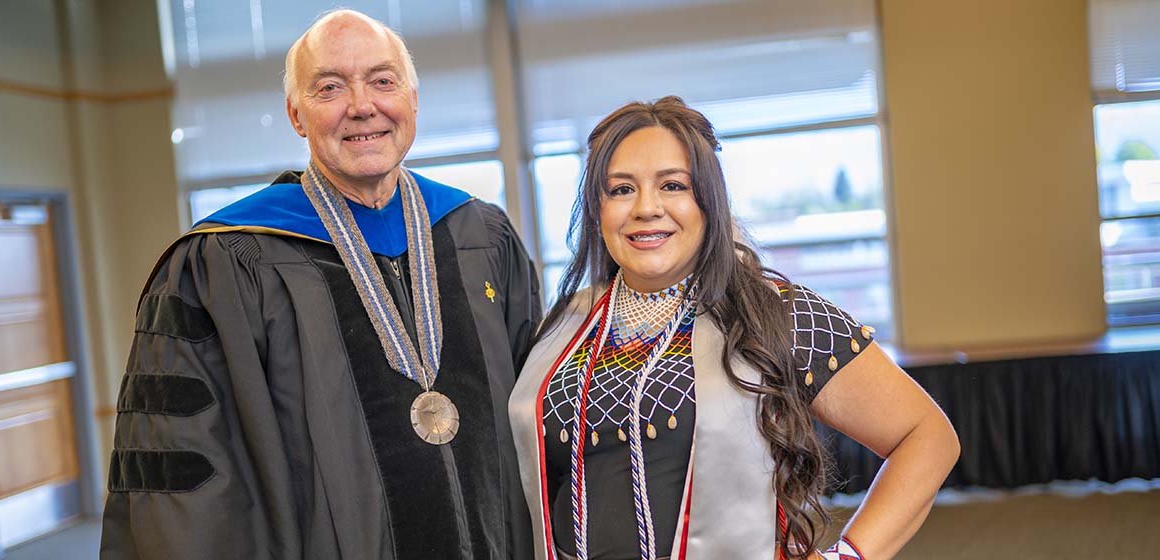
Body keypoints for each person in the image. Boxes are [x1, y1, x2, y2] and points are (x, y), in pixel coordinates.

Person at [101, 9, 539, 560]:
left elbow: (541, 412)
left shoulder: (481, 233)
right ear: (297, 115)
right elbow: (184, 472)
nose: (362, 106)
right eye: (330, 87)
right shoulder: (225, 262)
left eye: (383, 81)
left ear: (412, 100)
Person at [509, 96, 960, 560]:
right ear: (596, 209)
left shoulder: (773, 313)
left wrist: (849, 555)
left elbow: (926, 436)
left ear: (708, 199)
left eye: (672, 185)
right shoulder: (564, 327)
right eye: (621, 189)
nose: (646, 208)